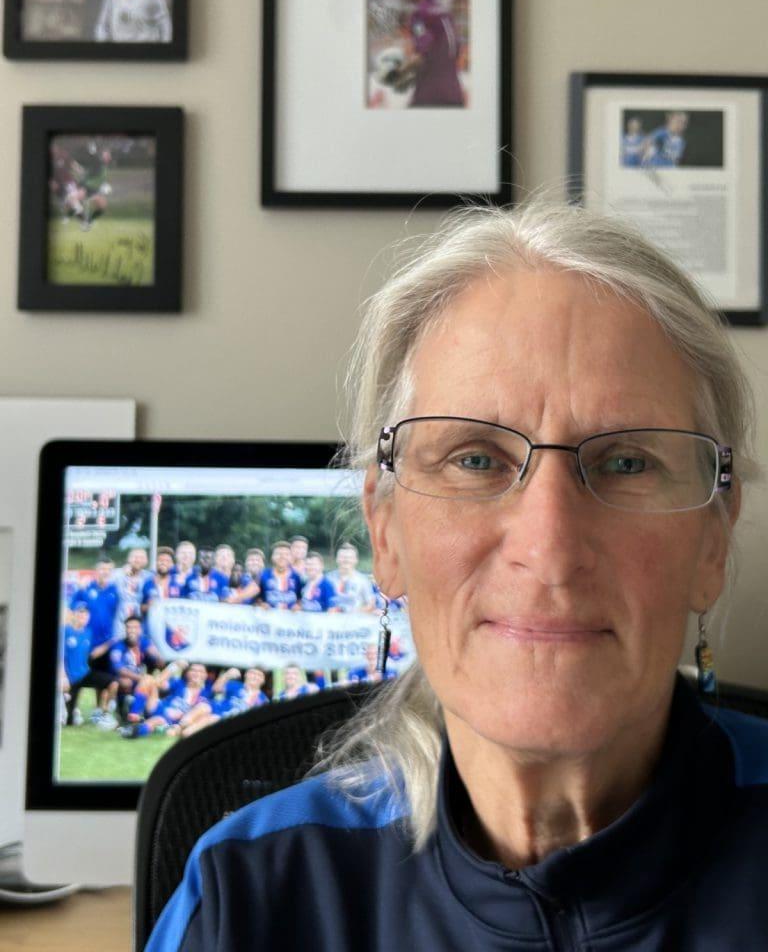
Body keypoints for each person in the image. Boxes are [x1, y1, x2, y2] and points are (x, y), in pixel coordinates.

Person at [145, 200, 768, 951]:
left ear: (713, 537)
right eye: (475, 459)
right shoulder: (254, 892)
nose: (550, 548)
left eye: (627, 462)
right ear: (385, 530)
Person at [327, 542, 375, 613]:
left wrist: (355, 613)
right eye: (343, 557)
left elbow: (370, 605)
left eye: (350, 557)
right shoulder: (328, 578)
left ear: (356, 560)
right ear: (337, 559)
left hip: (354, 620)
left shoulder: (363, 580)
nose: (346, 560)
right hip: (330, 620)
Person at [259, 541, 303, 610]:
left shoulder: (297, 577)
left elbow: (301, 599)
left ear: (291, 557)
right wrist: (261, 604)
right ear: (272, 557)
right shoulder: (263, 575)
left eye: (286, 554)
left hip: (291, 619)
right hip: (268, 619)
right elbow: (257, 599)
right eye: (278, 554)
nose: (282, 557)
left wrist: (298, 606)